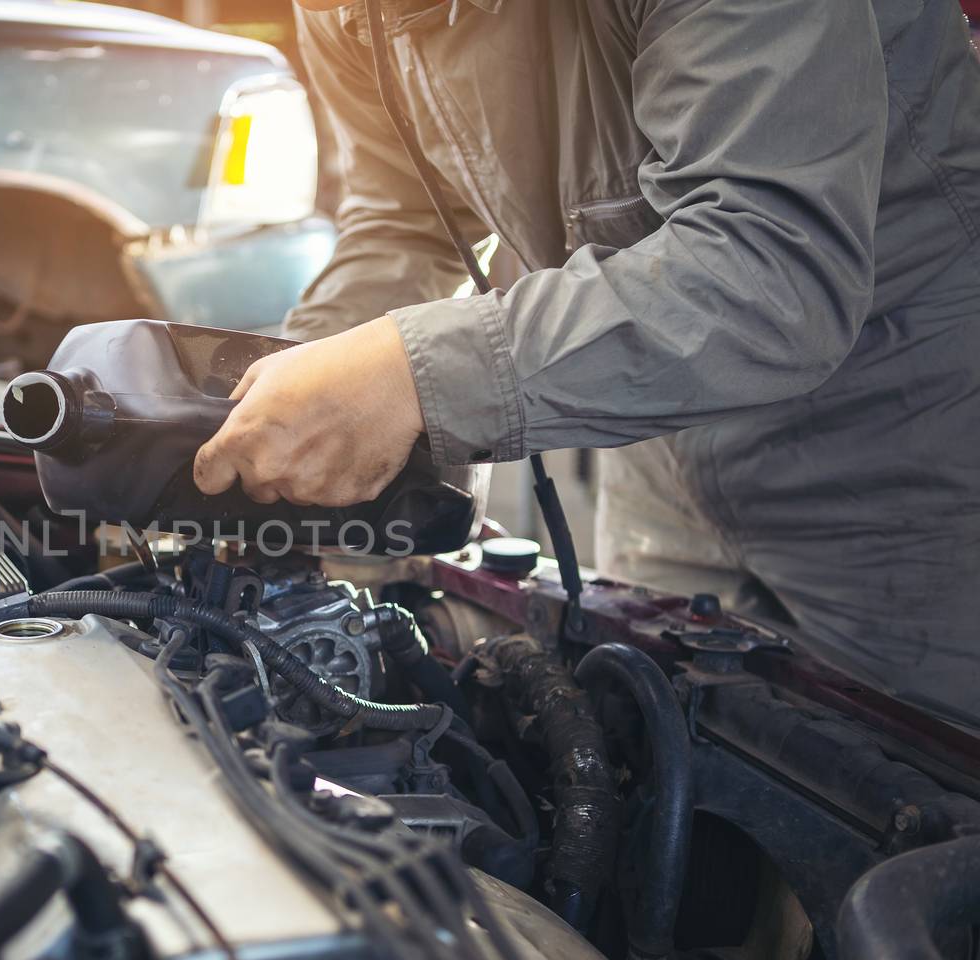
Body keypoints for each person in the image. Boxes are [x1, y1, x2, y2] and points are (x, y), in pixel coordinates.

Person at [192, 0, 980, 724]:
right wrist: (283, 402)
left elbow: (773, 265)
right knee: (651, 768)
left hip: (907, 443)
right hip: (662, 437)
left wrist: (415, 375)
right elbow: (406, 220)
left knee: (904, 827)